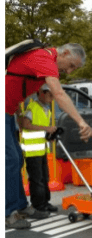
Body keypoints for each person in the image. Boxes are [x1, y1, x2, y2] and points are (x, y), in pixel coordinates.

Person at [6, 43, 92, 229]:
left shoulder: (42, 57)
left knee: (16, 160)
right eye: (71, 65)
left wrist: (17, 113)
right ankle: (7, 213)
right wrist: (81, 122)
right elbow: (59, 93)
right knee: (11, 160)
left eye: (74, 69)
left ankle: (20, 206)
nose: (70, 71)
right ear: (64, 53)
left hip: (8, 112)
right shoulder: (44, 59)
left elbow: (14, 84)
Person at [21, 84, 58, 213]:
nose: (52, 98)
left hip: (41, 149)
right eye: (50, 94)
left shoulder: (46, 109)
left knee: (44, 178)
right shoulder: (33, 107)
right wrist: (46, 129)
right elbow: (25, 124)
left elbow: (42, 129)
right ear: (41, 93)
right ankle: (38, 205)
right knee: (37, 179)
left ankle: (45, 202)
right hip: (32, 151)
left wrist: (49, 135)